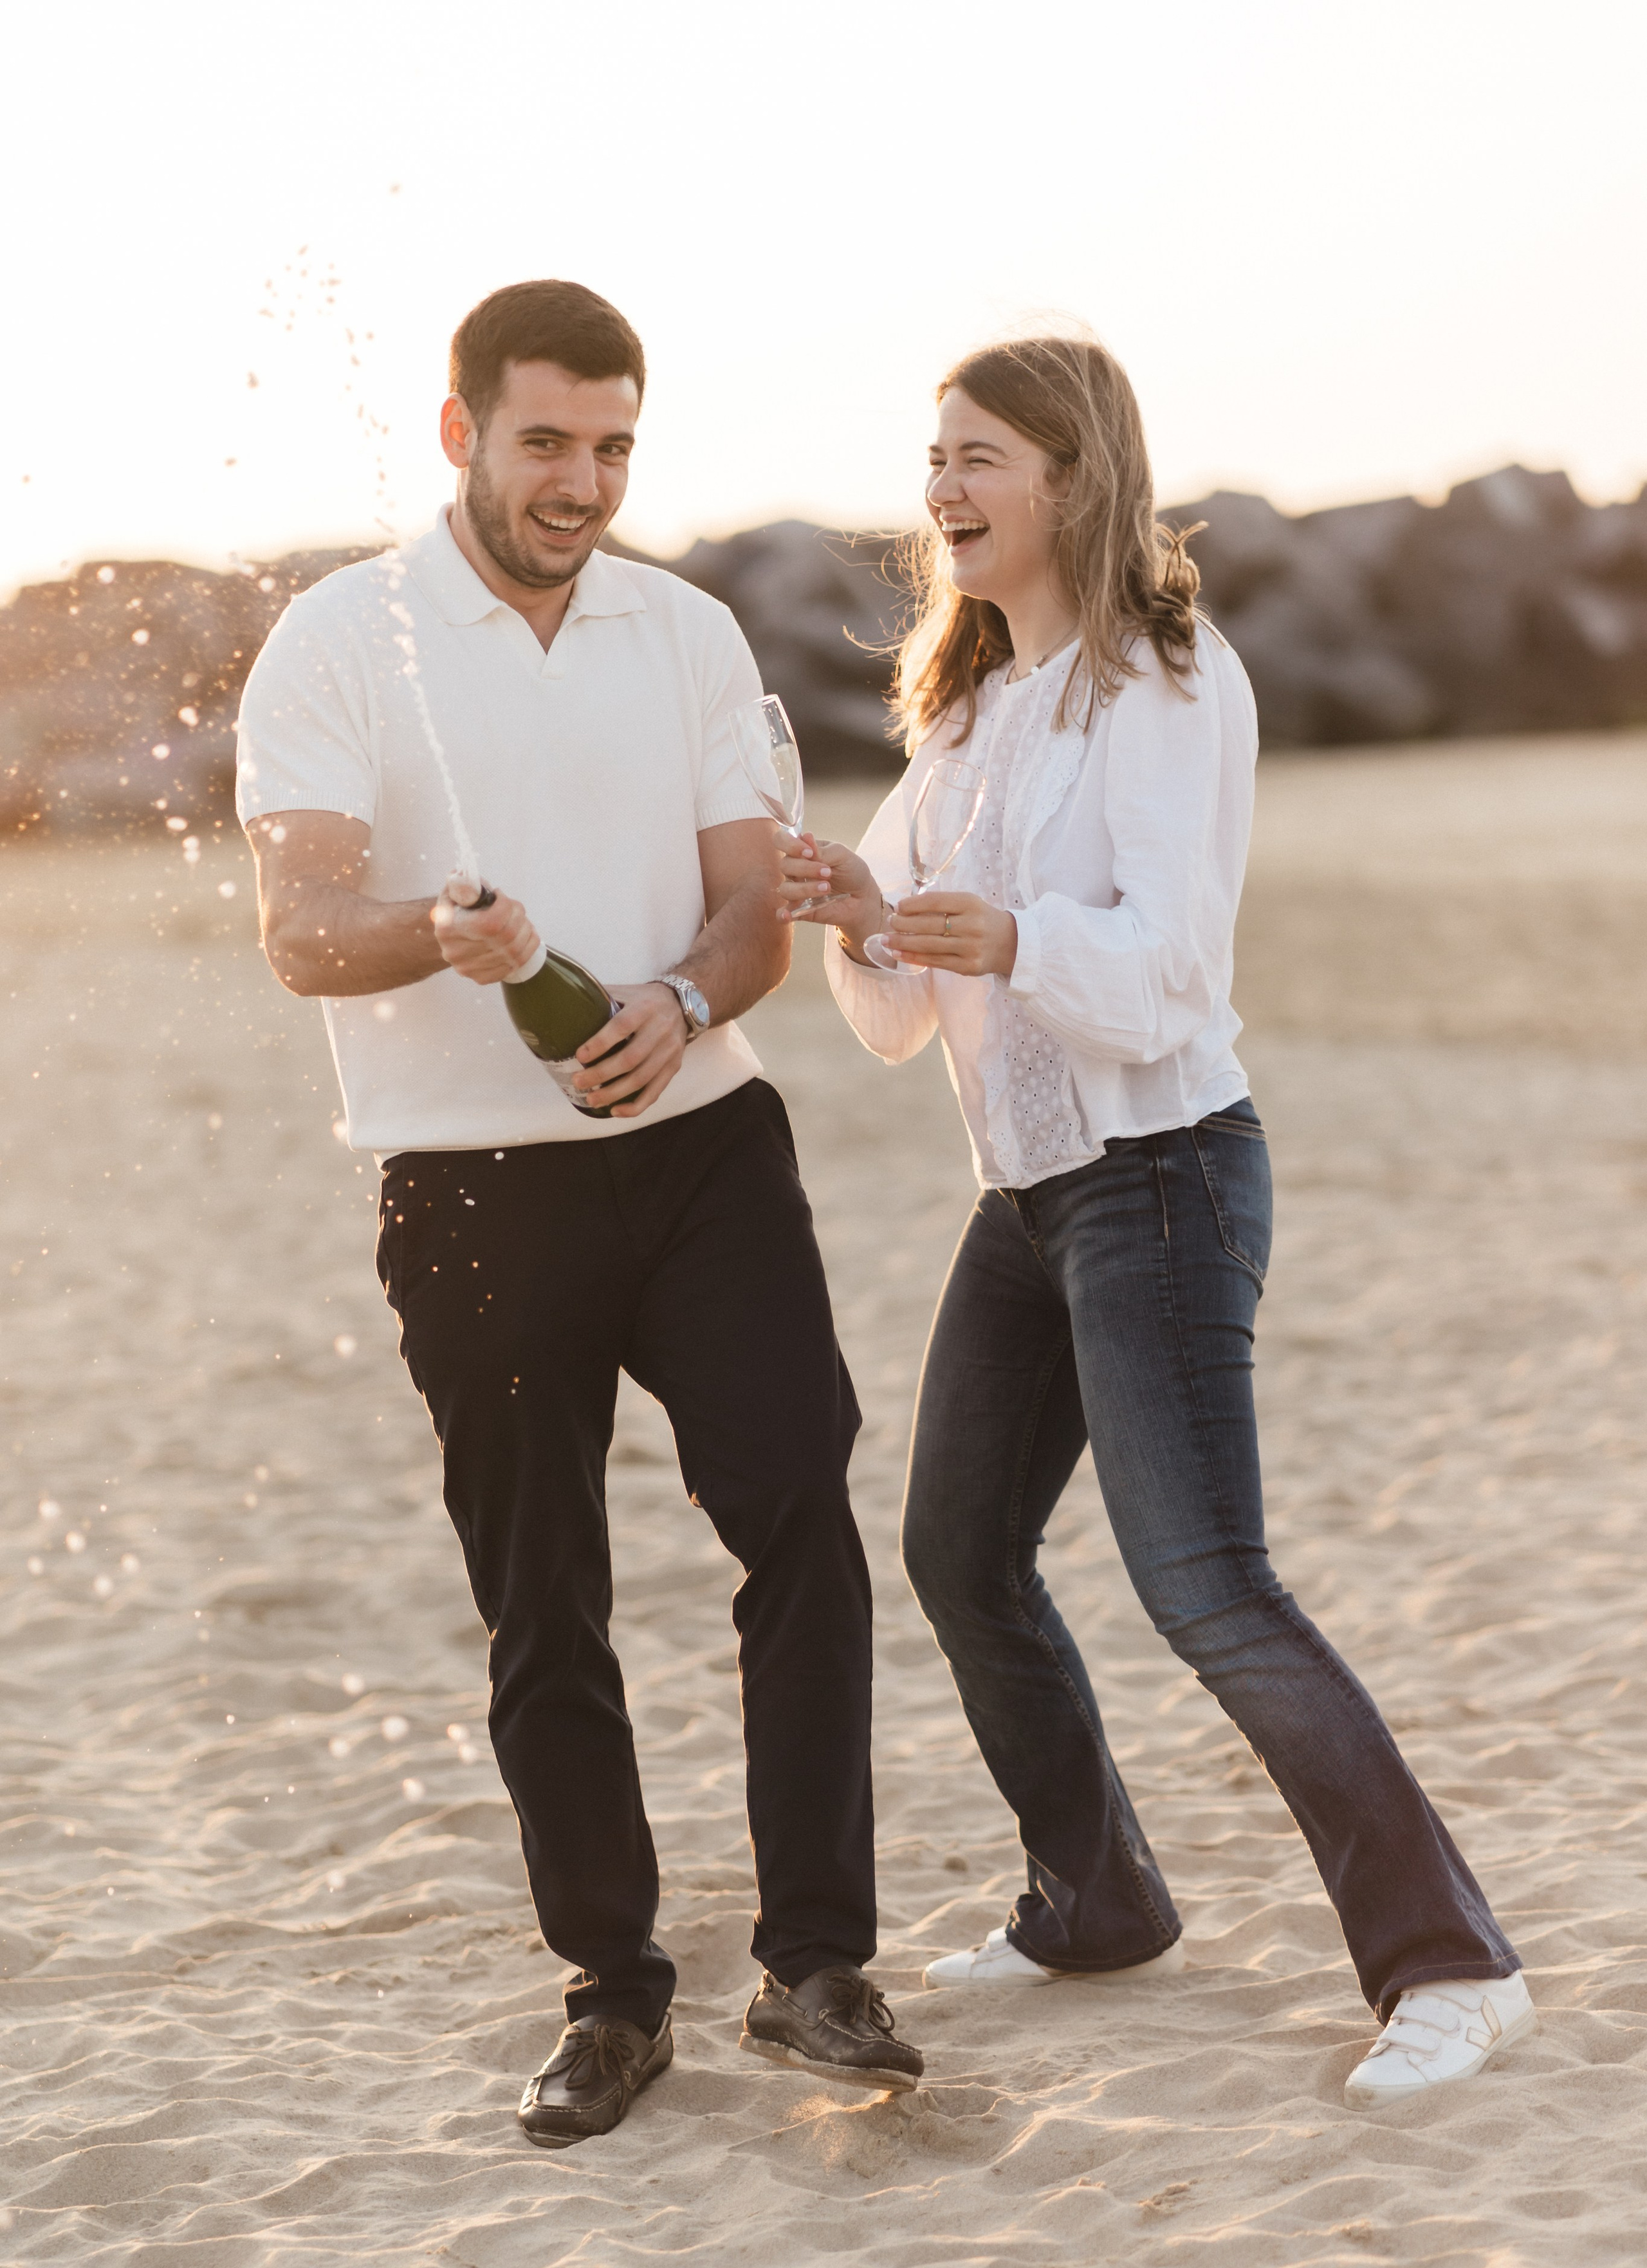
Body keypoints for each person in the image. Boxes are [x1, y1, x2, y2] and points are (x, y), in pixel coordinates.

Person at [777, 334, 1533, 2108]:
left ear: (1070, 476)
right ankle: (1097, 1895)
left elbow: (1175, 968)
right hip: (1025, 1199)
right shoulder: (957, 714)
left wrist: (1006, 936)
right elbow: (897, 1010)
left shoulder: (1165, 680)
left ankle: (1455, 1963)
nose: (946, 491)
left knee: (1208, 1584)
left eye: (981, 459)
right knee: (961, 1549)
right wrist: (854, 908)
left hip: (1167, 1175)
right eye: (936, 459)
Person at [235, 279, 923, 2147]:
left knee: (800, 1504)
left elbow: (754, 905)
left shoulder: (688, 633)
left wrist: (684, 1001)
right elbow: (301, 929)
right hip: (464, 1186)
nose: (582, 481)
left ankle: (816, 1964)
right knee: (543, 1591)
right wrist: (436, 937)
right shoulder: (332, 641)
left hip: (704, 1151)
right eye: (547, 442)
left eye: (613, 446)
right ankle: (614, 1992)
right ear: (461, 432)